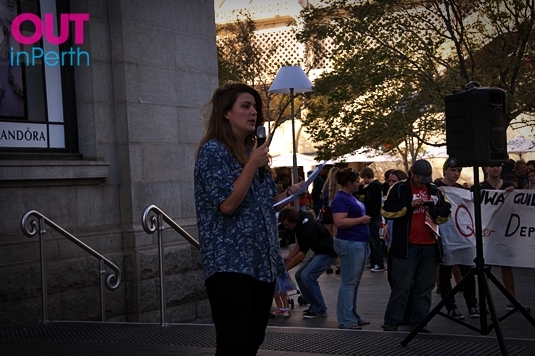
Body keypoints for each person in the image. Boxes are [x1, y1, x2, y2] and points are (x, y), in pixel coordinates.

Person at [193, 83, 302, 355]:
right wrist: (252, 164)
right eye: (245, 106)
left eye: (255, 107)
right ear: (226, 112)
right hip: (230, 265)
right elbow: (228, 204)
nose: (254, 112)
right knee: (233, 344)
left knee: (252, 342)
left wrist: (285, 192)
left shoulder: (250, 152)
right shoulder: (213, 152)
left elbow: (260, 205)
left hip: (260, 264)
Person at [381, 159, 451, 332]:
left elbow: (446, 213)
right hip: (406, 246)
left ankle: (419, 322)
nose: (423, 182)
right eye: (421, 178)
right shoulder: (399, 188)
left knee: (425, 288)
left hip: (429, 246)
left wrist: (434, 210)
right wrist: (409, 206)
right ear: (412, 173)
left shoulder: (434, 190)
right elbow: (386, 211)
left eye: (426, 179)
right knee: (401, 287)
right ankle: (392, 321)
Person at [480, 165, 530, 312]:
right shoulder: (480, 187)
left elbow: (518, 207)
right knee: (485, 267)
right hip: (487, 232)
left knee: (506, 264)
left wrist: (512, 194)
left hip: (505, 231)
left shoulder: (509, 186)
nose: (495, 169)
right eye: (492, 166)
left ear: (502, 169)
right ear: (486, 169)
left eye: (498, 166)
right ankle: (484, 302)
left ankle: (511, 299)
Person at [434, 161, 479, 319]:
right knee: (445, 273)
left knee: (468, 272)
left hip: (462, 236)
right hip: (446, 236)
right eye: (453, 170)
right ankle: (451, 307)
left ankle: (472, 305)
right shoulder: (436, 188)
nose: (456, 173)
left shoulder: (460, 189)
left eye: (458, 170)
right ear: (445, 170)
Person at [278, 207, 338, 319]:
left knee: (307, 275)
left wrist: (285, 269)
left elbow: (301, 254)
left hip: (327, 253)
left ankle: (319, 308)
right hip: (320, 252)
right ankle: (312, 302)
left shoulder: (308, 227)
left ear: (292, 220)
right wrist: (289, 257)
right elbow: (301, 244)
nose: (287, 227)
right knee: (299, 275)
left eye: (287, 224)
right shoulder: (301, 224)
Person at [331, 168, 372, 330]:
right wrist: (361, 220)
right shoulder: (341, 199)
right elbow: (339, 222)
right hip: (350, 243)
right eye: (356, 181)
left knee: (353, 282)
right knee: (349, 282)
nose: (359, 183)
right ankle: (346, 319)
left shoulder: (348, 197)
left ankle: (352, 316)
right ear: (349, 183)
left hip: (357, 242)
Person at [359, 167, 385, 272]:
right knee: (373, 240)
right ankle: (375, 262)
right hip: (375, 215)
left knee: (375, 241)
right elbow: (362, 192)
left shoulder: (373, 187)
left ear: (365, 177)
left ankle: (378, 263)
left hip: (373, 216)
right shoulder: (375, 186)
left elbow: (370, 201)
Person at [321, 167, 341, 274]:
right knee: (336, 239)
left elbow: (323, 199)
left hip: (327, 211)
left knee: (328, 240)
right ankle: (338, 264)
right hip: (337, 211)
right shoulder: (340, 187)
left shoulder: (325, 186)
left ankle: (328, 265)